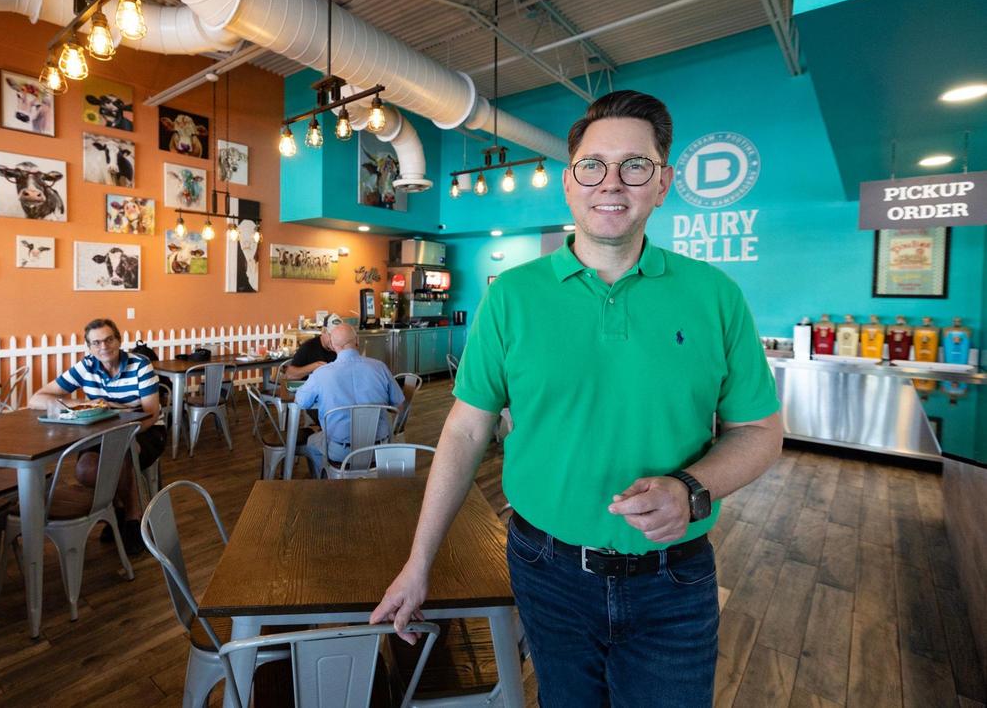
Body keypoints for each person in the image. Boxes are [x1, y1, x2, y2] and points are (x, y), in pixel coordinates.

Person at [371, 90, 783, 707]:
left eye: (634, 165)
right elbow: (462, 430)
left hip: (674, 576)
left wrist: (693, 490)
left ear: (663, 182)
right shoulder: (511, 297)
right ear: (569, 182)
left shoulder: (715, 296)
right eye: (593, 165)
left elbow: (758, 432)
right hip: (546, 570)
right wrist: (419, 561)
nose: (611, 183)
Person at [29, 318, 166, 555]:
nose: (104, 346)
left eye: (109, 339)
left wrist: (123, 433)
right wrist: (83, 402)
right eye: (96, 342)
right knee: (85, 470)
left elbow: (151, 413)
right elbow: (36, 399)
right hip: (101, 432)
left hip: (145, 430)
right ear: (89, 347)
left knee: (125, 452)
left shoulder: (140, 365)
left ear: (119, 340)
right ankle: (118, 509)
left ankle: (133, 520)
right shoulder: (86, 366)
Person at [294, 323, 404, 475]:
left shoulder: (321, 374)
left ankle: (329, 480)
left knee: (312, 443)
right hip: (379, 449)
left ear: (333, 346)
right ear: (357, 341)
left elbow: (301, 402)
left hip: (341, 452)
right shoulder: (380, 367)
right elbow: (399, 405)